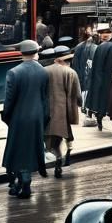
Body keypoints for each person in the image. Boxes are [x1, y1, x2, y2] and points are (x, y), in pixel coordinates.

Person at [2, 40, 50, 199]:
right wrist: (44, 117)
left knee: (18, 150)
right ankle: (24, 181)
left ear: (21, 53)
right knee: (30, 149)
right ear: (36, 52)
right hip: (37, 117)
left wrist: (6, 116)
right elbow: (45, 98)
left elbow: (9, 100)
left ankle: (23, 181)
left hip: (19, 117)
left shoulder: (14, 72)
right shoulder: (43, 72)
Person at [45, 45, 82, 176]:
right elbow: (78, 95)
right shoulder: (71, 72)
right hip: (65, 112)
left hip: (48, 113)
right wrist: (80, 104)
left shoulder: (45, 71)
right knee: (65, 134)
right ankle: (66, 153)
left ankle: (57, 158)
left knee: (52, 140)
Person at [87, 25, 112, 131]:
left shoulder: (98, 47)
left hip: (99, 80)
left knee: (101, 103)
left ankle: (99, 121)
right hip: (111, 80)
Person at [72, 26, 97, 105]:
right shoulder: (95, 47)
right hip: (87, 72)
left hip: (81, 72)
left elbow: (75, 63)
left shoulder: (78, 46)